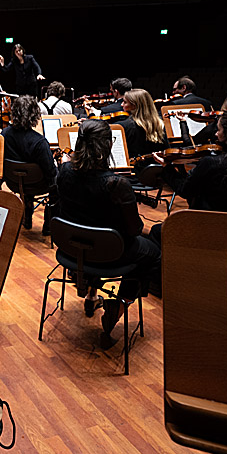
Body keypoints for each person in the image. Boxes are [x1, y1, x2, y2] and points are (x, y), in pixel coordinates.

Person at [53, 119, 161, 345]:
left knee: (93, 230)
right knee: (154, 254)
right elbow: (134, 229)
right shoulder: (117, 184)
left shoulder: (63, 171)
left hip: (72, 249)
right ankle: (119, 305)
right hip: (110, 255)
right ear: (108, 146)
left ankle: (92, 296)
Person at [1, 95, 57, 184]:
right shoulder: (40, 142)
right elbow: (51, 173)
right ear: (34, 115)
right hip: (38, 185)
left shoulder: (4, 134)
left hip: (13, 183)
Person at [116, 89, 168, 160]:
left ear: (134, 106)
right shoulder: (159, 123)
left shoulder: (124, 126)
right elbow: (166, 150)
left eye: (125, 102)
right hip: (158, 167)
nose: (122, 104)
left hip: (135, 169)